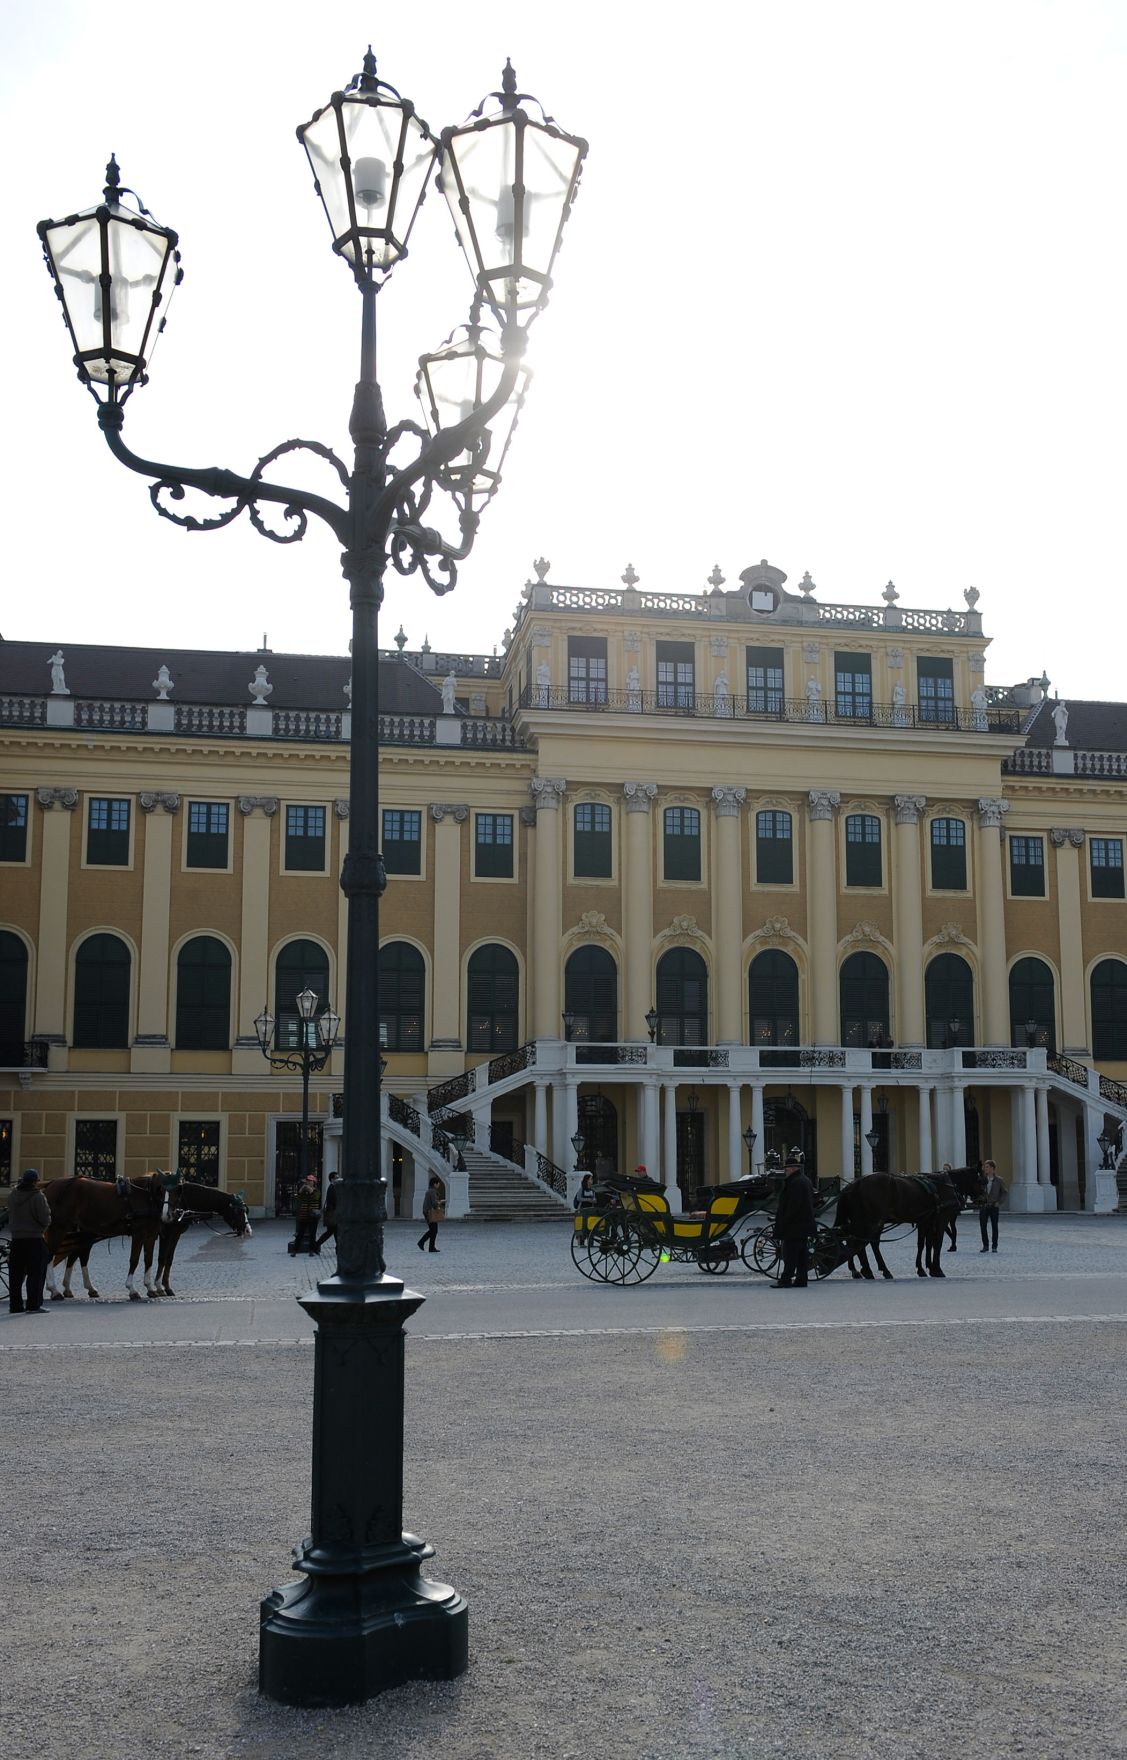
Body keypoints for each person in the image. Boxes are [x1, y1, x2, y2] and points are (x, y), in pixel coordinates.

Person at [9, 1168, 51, 1315]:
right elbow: (45, 1218)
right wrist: (41, 1229)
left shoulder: (13, 1194)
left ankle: (15, 1305)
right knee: (35, 1273)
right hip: (34, 1239)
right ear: (35, 1181)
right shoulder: (38, 1197)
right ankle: (33, 1305)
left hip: (16, 1239)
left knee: (16, 1274)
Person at [771, 1153, 817, 1289]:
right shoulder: (804, 1180)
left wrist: (784, 1221)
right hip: (803, 1223)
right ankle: (801, 1279)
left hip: (795, 1224)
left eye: (786, 1169)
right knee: (802, 1253)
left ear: (792, 1169)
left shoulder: (795, 1183)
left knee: (790, 1253)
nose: (785, 1171)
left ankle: (785, 1279)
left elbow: (793, 1205)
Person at [979, 1159, 1006, 1253]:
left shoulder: (999, 1180)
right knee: (983, 1226)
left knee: (994, 1226)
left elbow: (1004, 1193)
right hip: (984, 1206)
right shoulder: (982, 1179)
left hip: (994, 1206)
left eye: (987, 1167)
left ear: (992, 1168)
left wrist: (999, 1202)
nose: (985, 1169)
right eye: (984, 1167)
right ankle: (985, 1245)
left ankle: (994, 1246)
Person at [289, 1173, 320, 1256]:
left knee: (312, 1234)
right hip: (304, 1215)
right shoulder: (304, 1190)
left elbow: (315, 1197)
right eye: (308, 1181)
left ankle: (311, 1250)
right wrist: (302, 1189)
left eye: (310, 1181)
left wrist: (308, 1188)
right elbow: (298, 1197)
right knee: (300, 1234)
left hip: (313, 1215)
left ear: (314, 1182)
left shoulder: (317, 1191)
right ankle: (295, 1250)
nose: (308, 1182)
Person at [418, 1175, 445, 1252]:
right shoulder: (432, 1191)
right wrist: (441, 1202)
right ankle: (423, 1243)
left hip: (427, 1211)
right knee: (434, 1230)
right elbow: (434, 1203)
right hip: (430, 1212)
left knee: (433, 1230)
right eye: (438, 1183)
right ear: (434, 1184)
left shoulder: (430, 1190)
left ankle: (429, 1246)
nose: (439, 1185)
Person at [314, 1171, 340, 1252]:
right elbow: (334, 1201)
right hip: (333, 1214)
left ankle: (316, 1245)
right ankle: (338, 1249)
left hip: (332, 1214)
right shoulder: (332, 1188)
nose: (338, 1179)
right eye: (336, 1178)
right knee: (335, 1232)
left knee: (332, 1232)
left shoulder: (333, 1187)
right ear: (332, 1179)